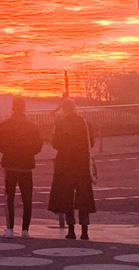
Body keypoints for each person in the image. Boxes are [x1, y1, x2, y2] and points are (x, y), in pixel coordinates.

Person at [48, 99, 96, 240]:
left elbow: (55, 144)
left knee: (66, 195)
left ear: (64, 109)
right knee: (83, 194)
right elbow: (90, 143)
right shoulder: (85, 124)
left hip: (66, 163)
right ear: (75, 108)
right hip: (82, 162)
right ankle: (85, 229)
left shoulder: (60, 124)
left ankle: (71, 229)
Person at [0, 96, 43, 238]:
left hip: (10, 164)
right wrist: (28, 153)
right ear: (24, 108)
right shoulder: (31, 126)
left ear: (13, 108)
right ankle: (25, 229)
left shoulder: (5, 125)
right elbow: (38, 146)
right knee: (27, 198)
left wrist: (8, 151)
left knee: (9, 197)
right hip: (26, 165)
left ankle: (9, 228)